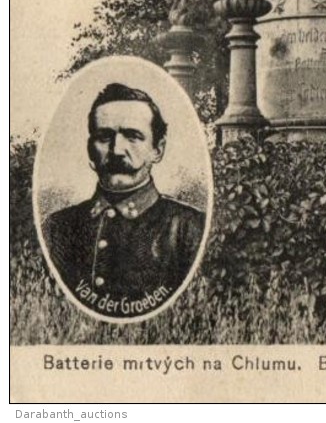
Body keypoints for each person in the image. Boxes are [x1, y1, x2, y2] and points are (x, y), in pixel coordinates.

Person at [43, 82, 205, 318]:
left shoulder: (189, 229)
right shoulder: (56, 228)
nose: (117, 150)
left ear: (158, 150)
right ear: (90, 150)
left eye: (133, 136)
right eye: (104, 137)